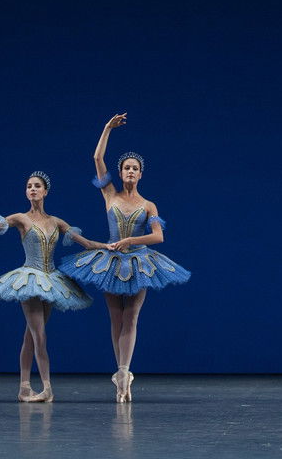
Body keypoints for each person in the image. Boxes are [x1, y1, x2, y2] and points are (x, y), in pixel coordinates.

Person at [57, 113, 190, 402]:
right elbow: (96, 159)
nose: (130, 171)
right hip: (110, 262)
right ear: (121, 172)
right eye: (126, 167)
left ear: (141, 174)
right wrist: (106, 128)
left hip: (140, 261)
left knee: (131, 317)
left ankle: (125, 371)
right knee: (115, 318)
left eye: (135, 168)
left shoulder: (148, 204)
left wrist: (130, 240)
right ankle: (121, 375)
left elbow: (159, 237)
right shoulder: (110, 195)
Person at [0, 171, 97, 402]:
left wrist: (111, 246)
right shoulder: (20, 219)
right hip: (30, 280)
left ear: (45, 191)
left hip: (52, 280)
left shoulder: (57, 222)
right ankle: (47, 388)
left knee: (30, 337)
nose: (32, 189)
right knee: (39, 335)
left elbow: (86, 243)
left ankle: (24, 387)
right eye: (29, 186)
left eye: (37, 186)